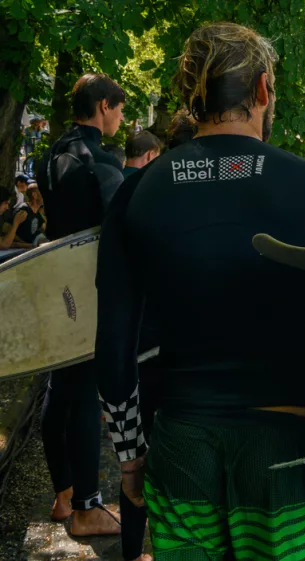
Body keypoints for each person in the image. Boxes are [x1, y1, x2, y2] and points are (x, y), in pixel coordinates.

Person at [95, 23, 305, 560]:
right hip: (284, 456)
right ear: (263, 89)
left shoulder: (138, 192)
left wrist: (130, 458)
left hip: (182, 446)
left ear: (192, 98)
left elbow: (113, 345)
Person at [34, 73, 127, 538]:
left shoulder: (49, 154)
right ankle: (89, 509)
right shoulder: (99, 160)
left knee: (59, 387)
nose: (121, 118)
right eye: (121, 109)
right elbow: (118, 231)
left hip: (53, 285)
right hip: (85, 292)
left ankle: (64, 494)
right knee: (85, 398)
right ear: (104, 106)